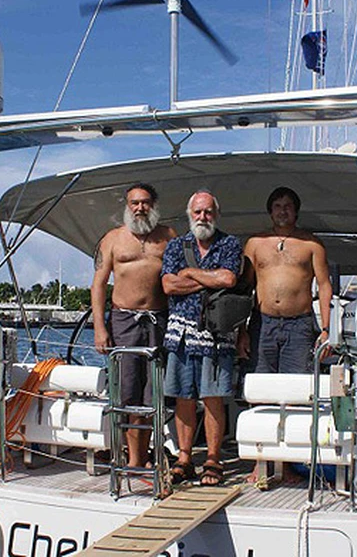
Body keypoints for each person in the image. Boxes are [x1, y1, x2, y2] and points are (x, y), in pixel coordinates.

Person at [243, 187, 332, 485]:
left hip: (300, 326)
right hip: (262, 325)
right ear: (270, 211)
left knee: (296, 395)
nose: (283, 210)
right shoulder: (255, 243)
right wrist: (241, 331)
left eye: (288, 206)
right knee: (260, 393)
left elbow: (324, 286)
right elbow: (244, 289)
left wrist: (326, 329)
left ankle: (288, 465)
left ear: (296, 211)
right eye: (278, 206)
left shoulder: (311, 244)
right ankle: (261, 464)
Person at [90, 183, 176, 468]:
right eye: (134, 203)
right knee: (127, 390)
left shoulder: (168, 236)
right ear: (127, 206)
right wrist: (100, 328)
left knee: (153, 392)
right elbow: (98, 285)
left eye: (145, 202)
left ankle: (146, 454)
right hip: (123, 321)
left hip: (159, 320)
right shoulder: (112, 239)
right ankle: (133, 458)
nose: (140, 208)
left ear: (154, 204)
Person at [161, 190, 243, 486]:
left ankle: (213, 458)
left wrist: (190, 273)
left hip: (216, 335)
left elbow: (229, 279)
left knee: (213, 398)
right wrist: (209, 279)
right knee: (183, 397)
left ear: (216, 214)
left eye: (208, 211)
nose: (203, 217)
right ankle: (184, 458)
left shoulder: (230, 244)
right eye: (197, 212)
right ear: (189, 214)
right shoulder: (175, 245)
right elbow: (168, 285)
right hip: (180, 334)